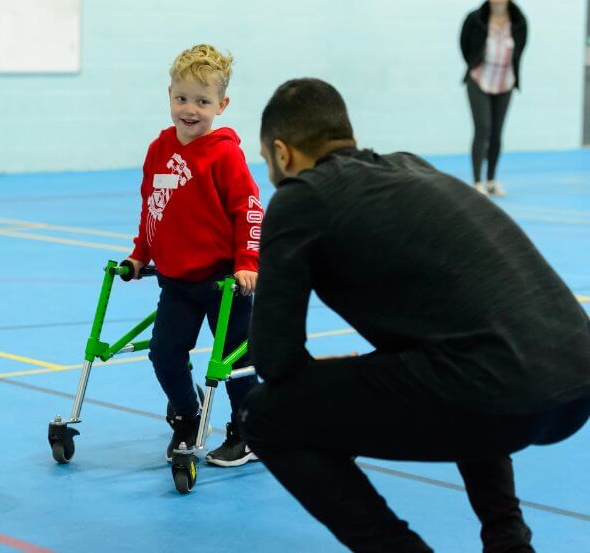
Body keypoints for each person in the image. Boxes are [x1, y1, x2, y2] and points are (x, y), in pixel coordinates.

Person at [239, 78, 590, 551]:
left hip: (501, 389)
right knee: (462, 366)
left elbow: (275, 361)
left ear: (281, 153)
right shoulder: (412, 167)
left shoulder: (302, 198)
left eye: (266, 161)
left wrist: (334, 380)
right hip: (574, 380)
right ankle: (509, 543)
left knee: (265, 416)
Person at [126, 44, 263, 467]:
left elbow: (250, 209)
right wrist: (139, 255)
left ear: (221, 105)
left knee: (234, 363)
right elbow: (153, 207)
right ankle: (187, 416)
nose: (190, 109)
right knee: (164, 353)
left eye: (202, 101)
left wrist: (247, 262)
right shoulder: (159, 149)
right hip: (178, 282)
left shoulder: (224, 154)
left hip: (226, 281)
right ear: (169, 95)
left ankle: (248, 431)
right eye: (182, 98)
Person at [460, 0, 528, 196]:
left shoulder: (519, 21)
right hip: (479, 80)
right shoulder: (475, 18)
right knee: (483, 129)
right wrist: (474, 65)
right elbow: (464, 44)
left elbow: (521, 49)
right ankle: (477, 181)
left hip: (505, 82)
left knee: (497, 133)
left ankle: (491, 180)